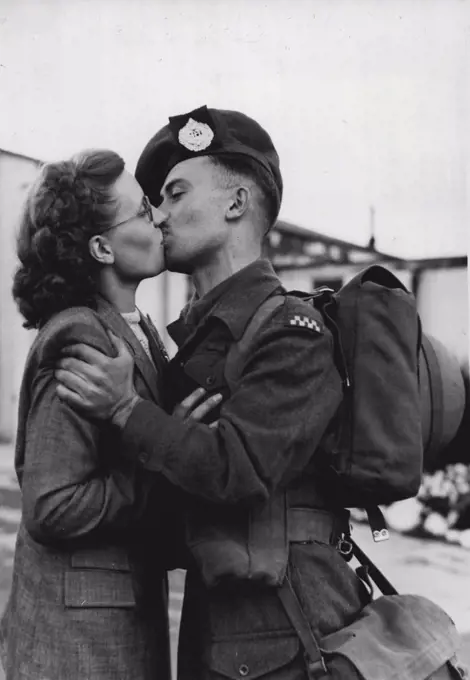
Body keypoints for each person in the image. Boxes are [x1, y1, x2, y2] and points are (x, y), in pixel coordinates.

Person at [54, 108, 372, 679]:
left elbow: (238, 469)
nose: (159, 213)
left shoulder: (291, 331)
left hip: (296, 634)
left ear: (235, 204)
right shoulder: (197, 342)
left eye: (175, 193)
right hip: (225, 633)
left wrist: (128, 410)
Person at [0, 148, 220, 680]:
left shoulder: (134, 328)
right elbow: (51, 505)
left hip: (114, 621)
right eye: (143, 211)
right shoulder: (82, 336)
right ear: (101, 246)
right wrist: (162, 468)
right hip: (78, 644)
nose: (159, 217)